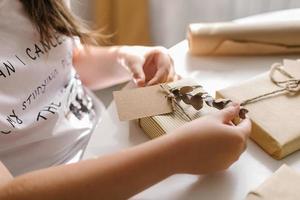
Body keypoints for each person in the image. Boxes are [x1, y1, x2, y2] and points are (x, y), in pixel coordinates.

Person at [0, 0, 251, 199]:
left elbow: (63, 60)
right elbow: (9, 194)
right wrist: (177, 154)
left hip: (107, 141)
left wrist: (124, 58)